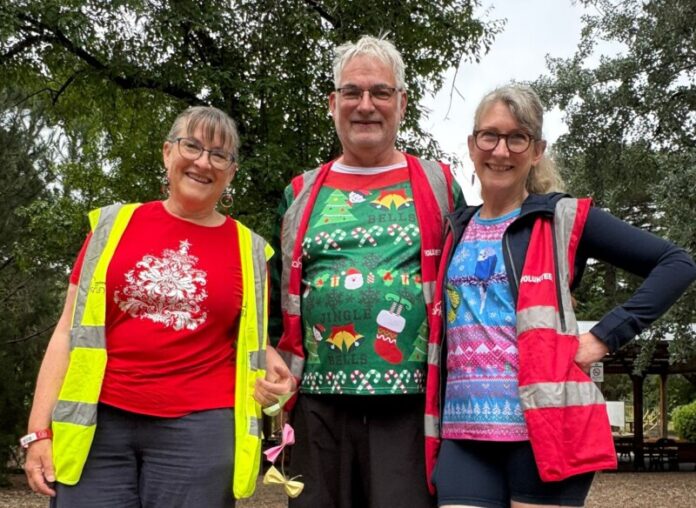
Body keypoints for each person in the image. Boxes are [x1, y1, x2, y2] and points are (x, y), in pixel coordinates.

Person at [424, 84, 696, 508]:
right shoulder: (453, 228)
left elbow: (677, 264)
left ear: (536, 150)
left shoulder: (561, 218)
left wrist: (604, 337)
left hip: (544, 430)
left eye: (518, 138)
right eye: (489, 136)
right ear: (472, 146)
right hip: (463, 433)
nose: (501, 150)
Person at [22, 106, 274, 507]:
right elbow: (67, 331)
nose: (203, 161)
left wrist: (274, 369)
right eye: (191, 145)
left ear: (231, 172)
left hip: (200, 431)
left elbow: (252, 340)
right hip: (98, 426)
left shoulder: (252, 250)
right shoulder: (112, 227)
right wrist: (38, 431)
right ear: (167, 153)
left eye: (219, 154)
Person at [254, 35, 463, 508]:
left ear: (401, 104)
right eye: (352, 92)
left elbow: (469, 278)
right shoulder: (301, 192)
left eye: (380, 92)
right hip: (316, 403)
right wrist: (269, 359)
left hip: (410, 404)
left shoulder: (439, 184)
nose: (365, 105)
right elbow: (270, 298)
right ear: (333, 103)